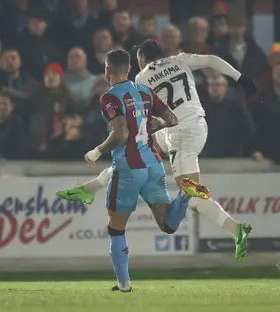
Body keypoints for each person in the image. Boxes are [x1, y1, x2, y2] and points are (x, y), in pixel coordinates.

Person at [57, 40, 257, 262]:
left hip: (179, 134)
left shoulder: (142, 77)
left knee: (187, 194)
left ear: (142, 58)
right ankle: (92, 186)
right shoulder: (180, 60)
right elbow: (211, 60)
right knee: (136, 155)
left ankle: (233, 227)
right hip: (196, 126)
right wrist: (241, 78)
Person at [59, 49, 209, 292]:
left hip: (128, 169)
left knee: (116, 228)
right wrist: (156, 123)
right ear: (129, 69)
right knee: (167, 225)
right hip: (153, 165)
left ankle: (124, 284)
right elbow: (172, 119)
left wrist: (97, 151)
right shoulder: (144, 91)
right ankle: (184, 194)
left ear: (107, 71)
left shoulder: (109, 97)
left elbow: (120, 134)